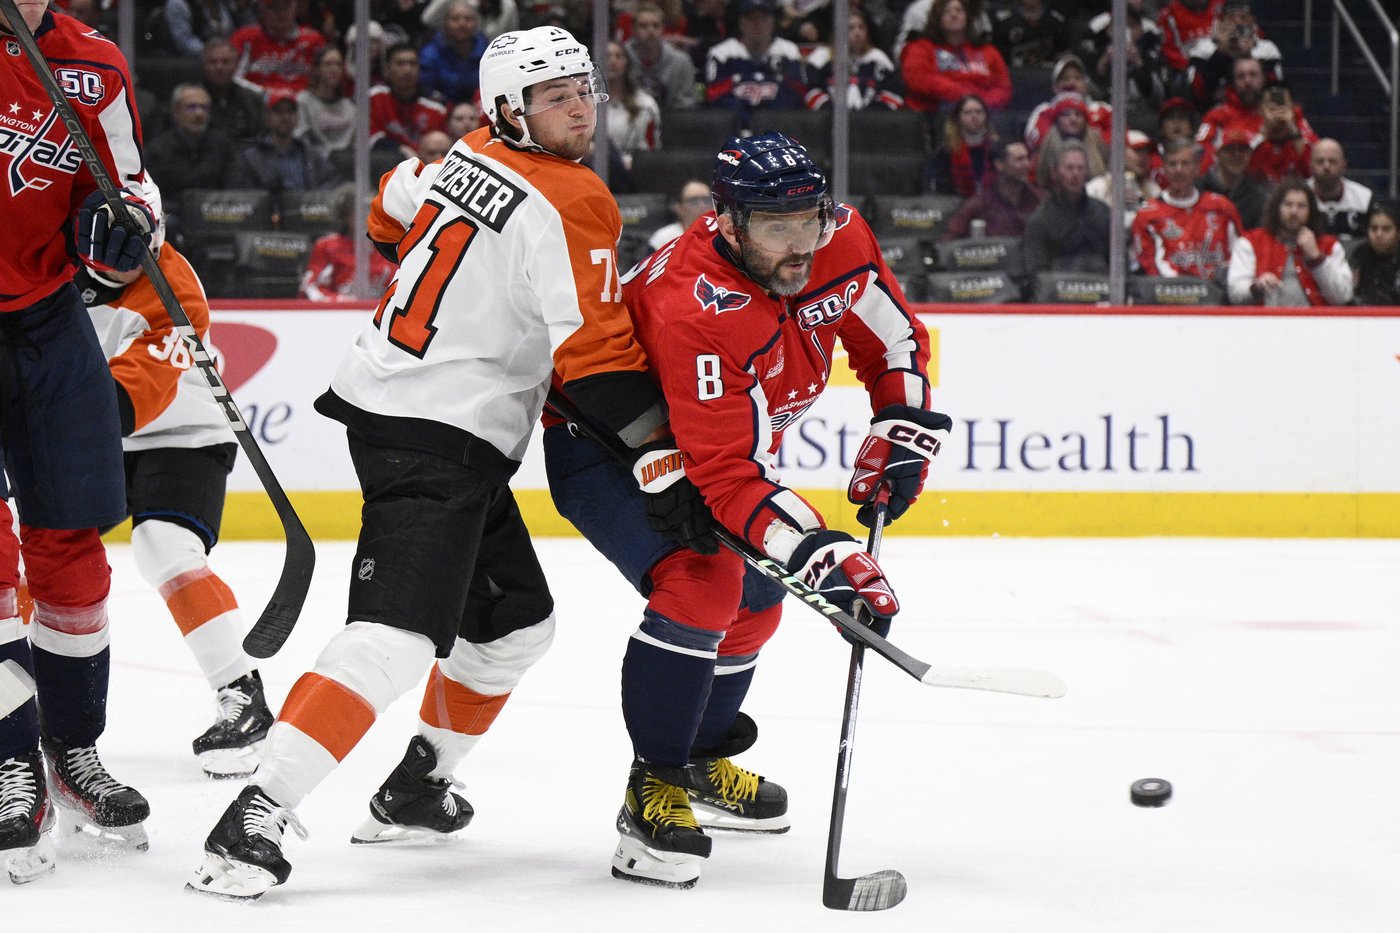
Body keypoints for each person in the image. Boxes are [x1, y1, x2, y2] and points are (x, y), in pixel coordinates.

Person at [189, 26, 671, 901]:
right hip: (436, 432)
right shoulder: (574, 197)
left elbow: (388, 210)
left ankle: (414, 788)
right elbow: (597, 363)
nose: (578, 106)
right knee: (394, 637)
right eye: (553, 93)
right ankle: (255, 814)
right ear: (507, 108)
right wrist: (666, 457)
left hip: (409, 415)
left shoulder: (462, 153)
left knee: (516, 625)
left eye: (584, 89)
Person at [546, 132, 944, 889]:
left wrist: (901, 425)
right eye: (775, 226)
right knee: (704, 582)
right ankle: (650, 788)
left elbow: (891, 336)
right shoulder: (691, 306)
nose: (800, 245)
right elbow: (726, 477)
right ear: (728, 223)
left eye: (810, 220)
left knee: (760, 594)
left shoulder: (837, 239)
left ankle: (696, 760)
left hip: (703, 444)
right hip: (608, 447)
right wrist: (823, 554)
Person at [0, 0, 157, 881]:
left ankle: (73, 748)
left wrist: (125, 229)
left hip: (51, 320)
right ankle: (7, 756)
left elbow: (127, 183)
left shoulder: (94, 61)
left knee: (70, 547)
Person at [71, 190, 274, 780]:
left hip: (179, 431)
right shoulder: (42, 266)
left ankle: (242, 696)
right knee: (45, 557)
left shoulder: (173, 285)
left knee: (164, 544)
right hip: (85, 430)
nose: (125, 262)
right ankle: (27, 704)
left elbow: (123, 402)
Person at [1227, 179, 1353, 306]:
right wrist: (1257, 287)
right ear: (1277, 208)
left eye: (1301, 206)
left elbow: (1344, 296)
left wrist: (1317, 259)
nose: (1294, 211)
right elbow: (1235, 294)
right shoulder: (1250, 242)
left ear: (1311, 211)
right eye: (1288, 204)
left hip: (1316, 324)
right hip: (1265, 323)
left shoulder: (1329, 245)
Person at [1132, 137, 1242, 281]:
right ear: (1164, 168)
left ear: (1197, 167)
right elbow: (1151, 267)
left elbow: (1240, 256)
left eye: (1185, 164)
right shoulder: (1148, 215)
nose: (1179, 170)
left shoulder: (1221, 207)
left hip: (1219, 293)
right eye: (1172, 164)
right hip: (1170, 297)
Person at [144, 83, 241, 244]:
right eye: (191, 108)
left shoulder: (224, 146)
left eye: (204, 108)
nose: (199, 114)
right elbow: (150, 195)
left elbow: (236, 187)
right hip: (176, 216)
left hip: (217, 215)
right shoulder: (157, 149)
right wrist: (187, 208)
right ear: (176, 111)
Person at [705, 0, 825, 120]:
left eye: (763, 18)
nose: (757, 24)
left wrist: (743, 80)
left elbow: (797, 95)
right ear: (741, 22)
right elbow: (716, 98)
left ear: (772, 21)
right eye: (751, 18)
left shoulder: (788, 51)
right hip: (735, 131)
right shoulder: (721, 53)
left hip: (779, 129)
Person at [1020, 141, 1112, 282]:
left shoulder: (1103, 212)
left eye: (1080, 168)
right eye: (1069, 168)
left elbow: (1118, 262)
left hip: (1102, 294)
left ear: (1087, 172)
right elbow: (1036, 272)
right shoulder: (1041, 220)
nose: (1075, 174)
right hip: (1059, 297)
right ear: (1054, 173)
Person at [900, 0, 1011, 113]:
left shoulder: (988, 51)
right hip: (934, 115)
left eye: (959, 10)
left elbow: (1003, 87)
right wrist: (963, 95)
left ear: (968, 17)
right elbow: (918, 79)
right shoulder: (921, 48)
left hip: (983, 113)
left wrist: (979, 103)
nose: (954, 14)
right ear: (937, 18)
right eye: (947, 11)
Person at [299, 185, 397, 302]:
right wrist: (342, 301)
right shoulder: (328, 246)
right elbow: (310, 288)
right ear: (346, 216)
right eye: (360, 212)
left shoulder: (390, 248)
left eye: (372, 211)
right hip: (338, 315)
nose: (367, 217)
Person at [228, 96, 336, 196]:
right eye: (278, 112)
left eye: (290, 112)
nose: (285, 117)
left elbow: (331, 182)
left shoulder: (309, 154)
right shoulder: (250, 156)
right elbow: (244, 195)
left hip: (304, 212)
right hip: (266, 214)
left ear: (297, 118)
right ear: (267, 118)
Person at [942, 139, 1043, 239]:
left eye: (1027, 158)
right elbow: (947, 245)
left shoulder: (1040, 200)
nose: (1027, 164)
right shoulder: (978, 205)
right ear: (1000, 164)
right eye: (1019, 159)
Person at [807, 7, 904, 110]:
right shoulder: (822, 57)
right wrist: (831, 112)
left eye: (861, 28)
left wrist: (870, 115)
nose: (857, 33)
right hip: (828, 121)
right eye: (851, 28)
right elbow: (811, 92)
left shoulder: (877, 58)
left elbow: (893, 93)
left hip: (873, 122)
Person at [229, 0, 326, 101]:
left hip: (303, 105)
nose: (280, 13)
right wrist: (262, 94)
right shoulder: (245, 38)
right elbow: (232, 78)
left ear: (295, 8)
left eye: (285, 7)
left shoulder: (313, 39)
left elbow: (325, 80)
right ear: (261, 10)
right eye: (273, 8)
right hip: (257, 104)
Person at [370, 43, 450, 161]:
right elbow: (371, 139)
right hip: (386, 165)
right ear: (387, 69)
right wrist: (401, 149)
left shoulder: (436, 107)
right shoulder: (375, 98)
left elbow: (443, 145)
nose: (407, 70)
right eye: (400, 64)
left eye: (412, 64)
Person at [626, 1, 698, 109]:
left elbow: (686, 107)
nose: (650, 31)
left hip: (671, 122)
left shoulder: (681, 62)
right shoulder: (621, 58)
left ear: (663, 28)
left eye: (656, 26)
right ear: (633, 29)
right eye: (643, 26)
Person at [604, 39, 661, 172]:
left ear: (627, 63)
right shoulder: (585, 103)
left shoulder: (646, 104)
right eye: (606, 56)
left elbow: (650, 150)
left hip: (635, 171)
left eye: (618, 56)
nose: (612, 61)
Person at [418, 0, 488, 105]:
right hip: (442, 109)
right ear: (445, 23)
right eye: (455, 19)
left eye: (468, 19)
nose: (462, 24)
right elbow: (427, 89)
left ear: (476, 24)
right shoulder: (429, 54)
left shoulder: (488, 51)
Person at [296, 45, 356, 168]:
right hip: (314, 164)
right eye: (328, 64)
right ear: (317, 69)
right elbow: (301, 139)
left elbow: (356, 143)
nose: (334, 69)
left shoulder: (350, 106)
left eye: (338, 64)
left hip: (347, 164)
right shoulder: (304, 101)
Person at [1032, 92, 1108, 190]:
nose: (1073, 119)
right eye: (1066, 115)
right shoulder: (1045, 148)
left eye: (1078, 114)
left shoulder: (1099, 145)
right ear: (1057, 120)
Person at [927, 94, 997, 197]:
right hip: (955, 203)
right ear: (958, 118)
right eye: (967, 113)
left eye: (979, 112)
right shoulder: (947, 150)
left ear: (986, 116)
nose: (974, 117)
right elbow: (935, 182)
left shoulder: (996, 147)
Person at [1198, 126, 1267, 229]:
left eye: (1242, 150)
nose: (1236, 155)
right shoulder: (1199, 189)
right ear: (1218, 154)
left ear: (1249, 155)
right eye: (1230, 150)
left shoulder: (1258, 197)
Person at [1307, 139, 1374, 240]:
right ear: (1310, 166)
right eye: (1320, 161)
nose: (1326, 166)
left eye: (1332, 161)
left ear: (1343, 165)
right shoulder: (1297, 197)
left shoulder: (1364, 198)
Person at [200, 38, 266, 142]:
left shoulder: (252, 99)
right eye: (213, 62)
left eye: (226, 62)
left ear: (236, 65)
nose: (219, 67)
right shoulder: (192, 100)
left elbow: (261, 138)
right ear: (204, 66)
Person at [1350, 201, 1400, 305]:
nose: (1379, 234)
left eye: (1386, 229)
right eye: (1374, 228)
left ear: (1398, 233)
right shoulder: (1360, 254)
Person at [648, 178, 713, 250]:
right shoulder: (664, 239)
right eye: (694, 201)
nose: (702, 205)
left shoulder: (722, 234)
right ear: (679, 208)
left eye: (707, 200)